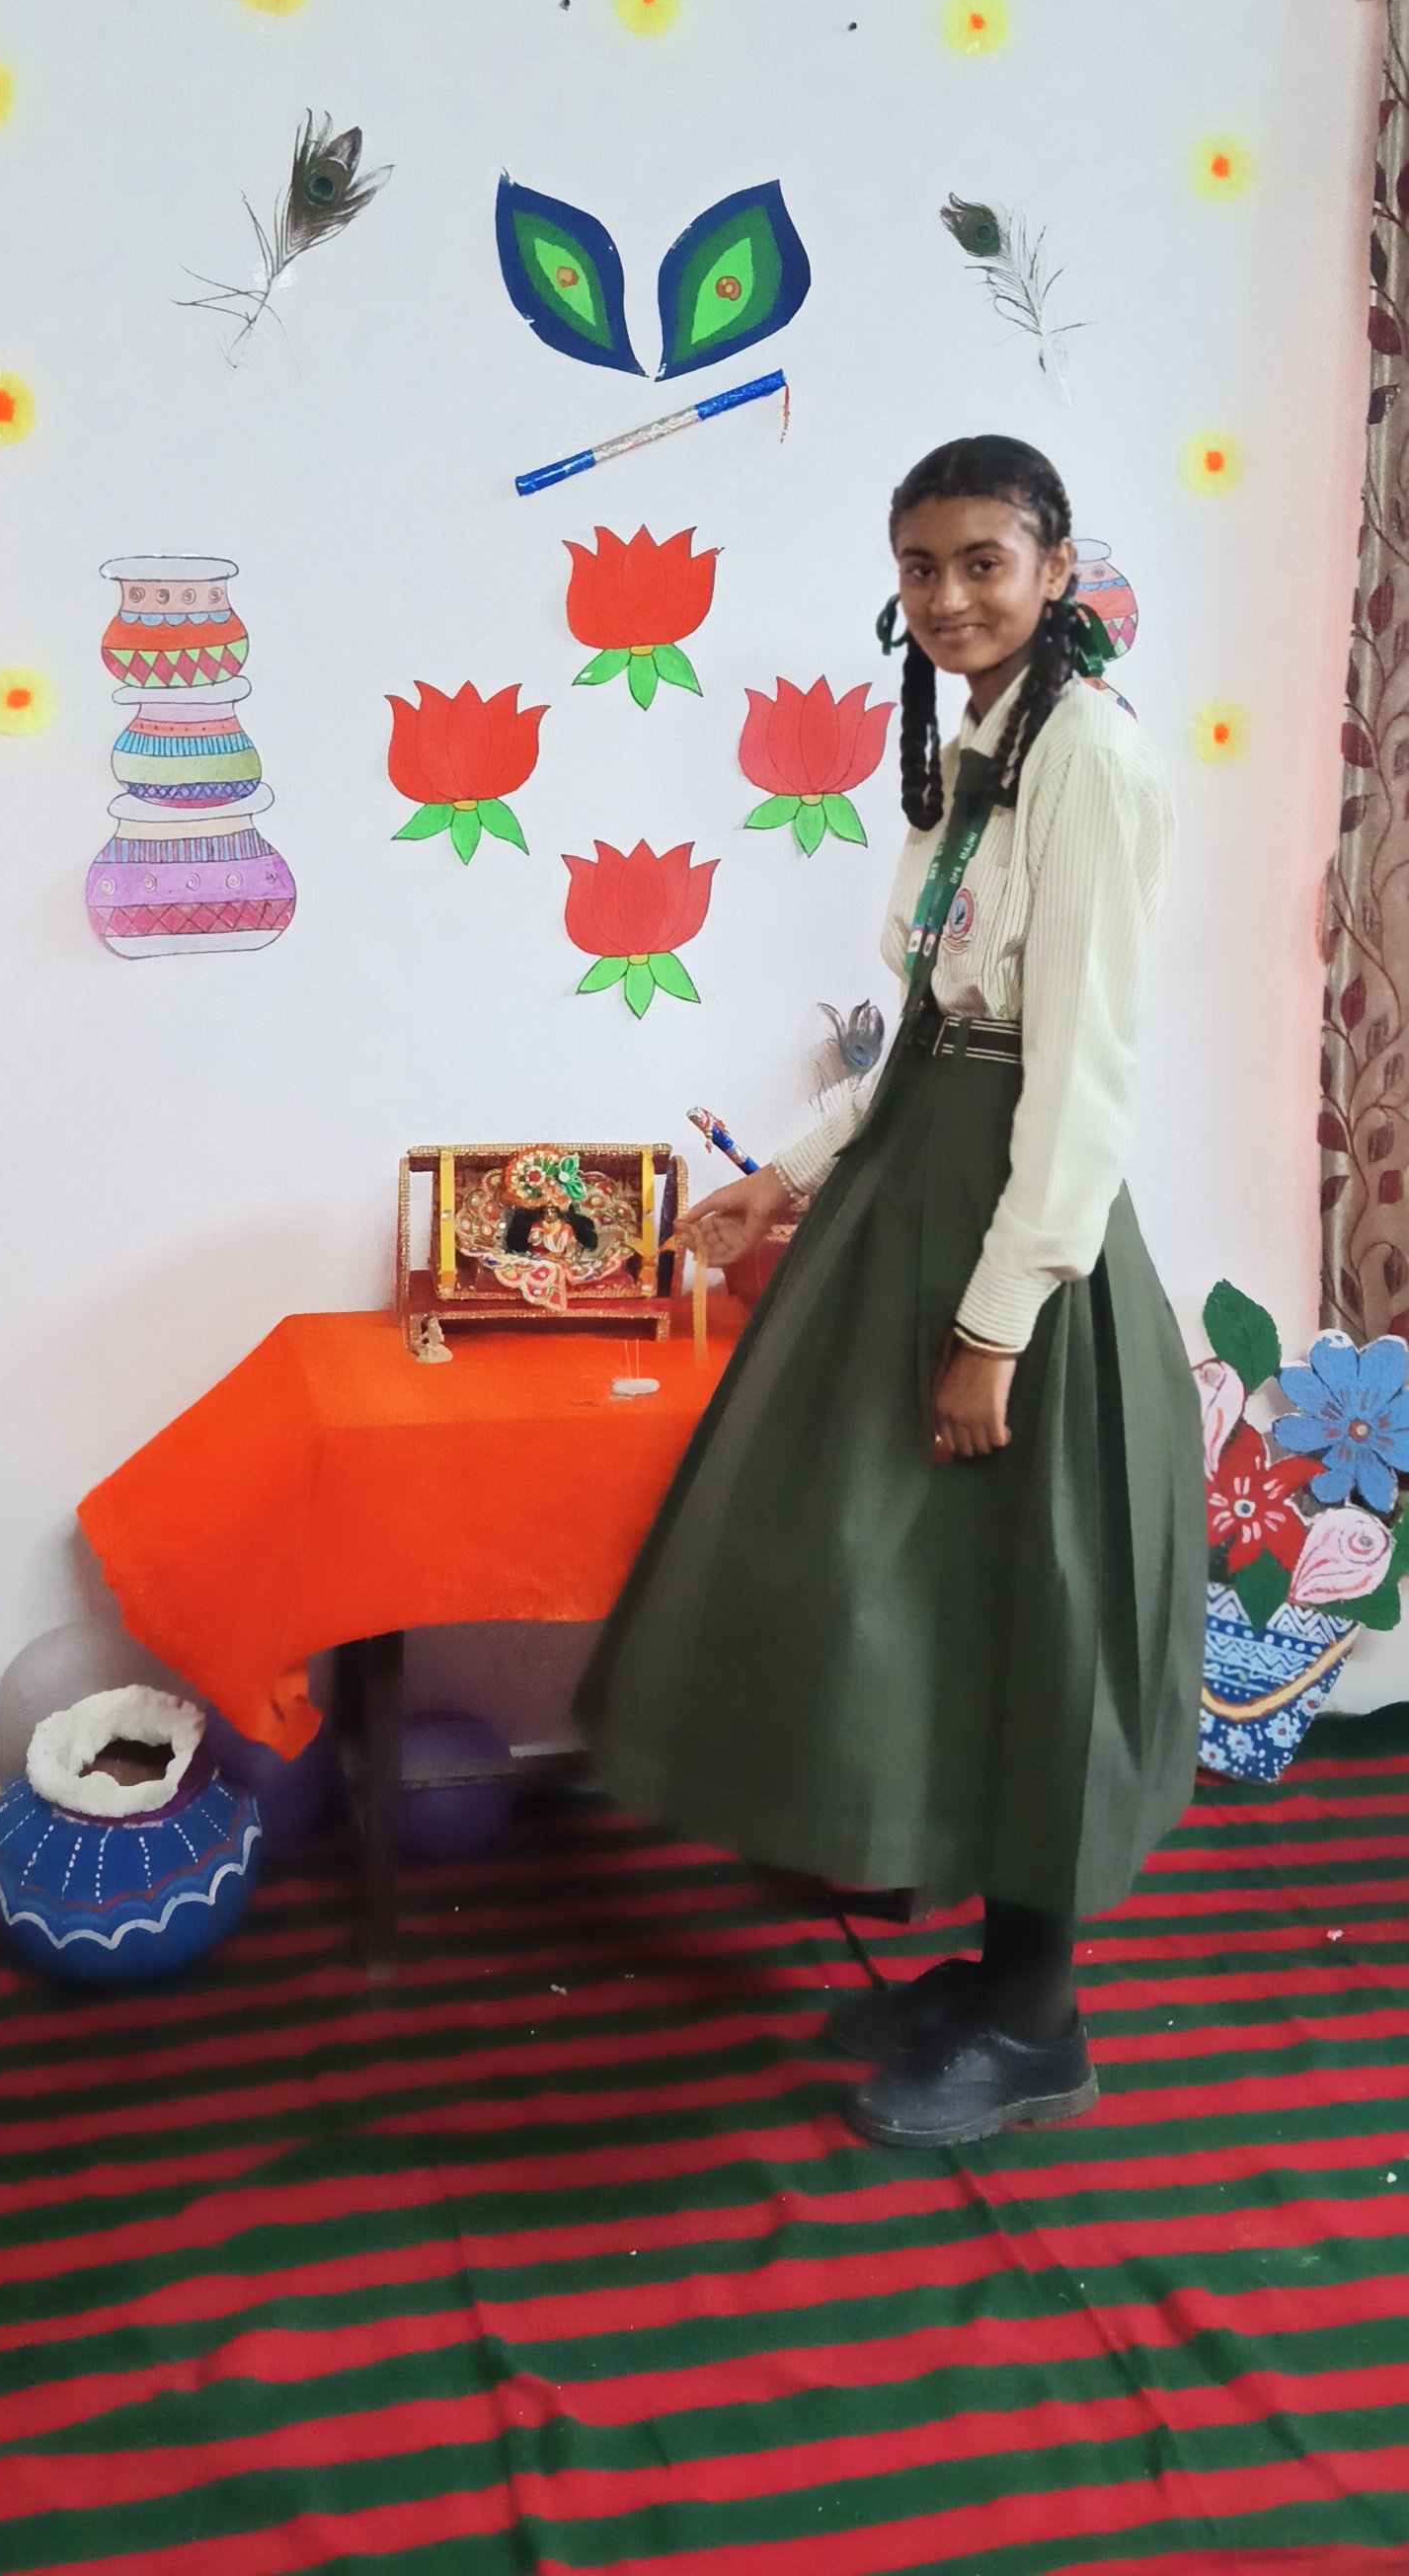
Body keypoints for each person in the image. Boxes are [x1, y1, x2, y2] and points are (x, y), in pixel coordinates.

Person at [575, 435, 1206, 2149]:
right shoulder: (967, 751)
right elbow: (928, 1035)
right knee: (931, 1608)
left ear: (1055, 570)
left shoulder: (1094, 760)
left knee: (1034, 1617)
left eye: (984, 562)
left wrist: (998, 1325)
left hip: (1016, 1241)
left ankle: (1038, 2025)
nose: (948, 597)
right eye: (921, 567)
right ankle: (991, 1980)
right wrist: (782, 1175)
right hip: (915, 1190)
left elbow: (1080, 1079)